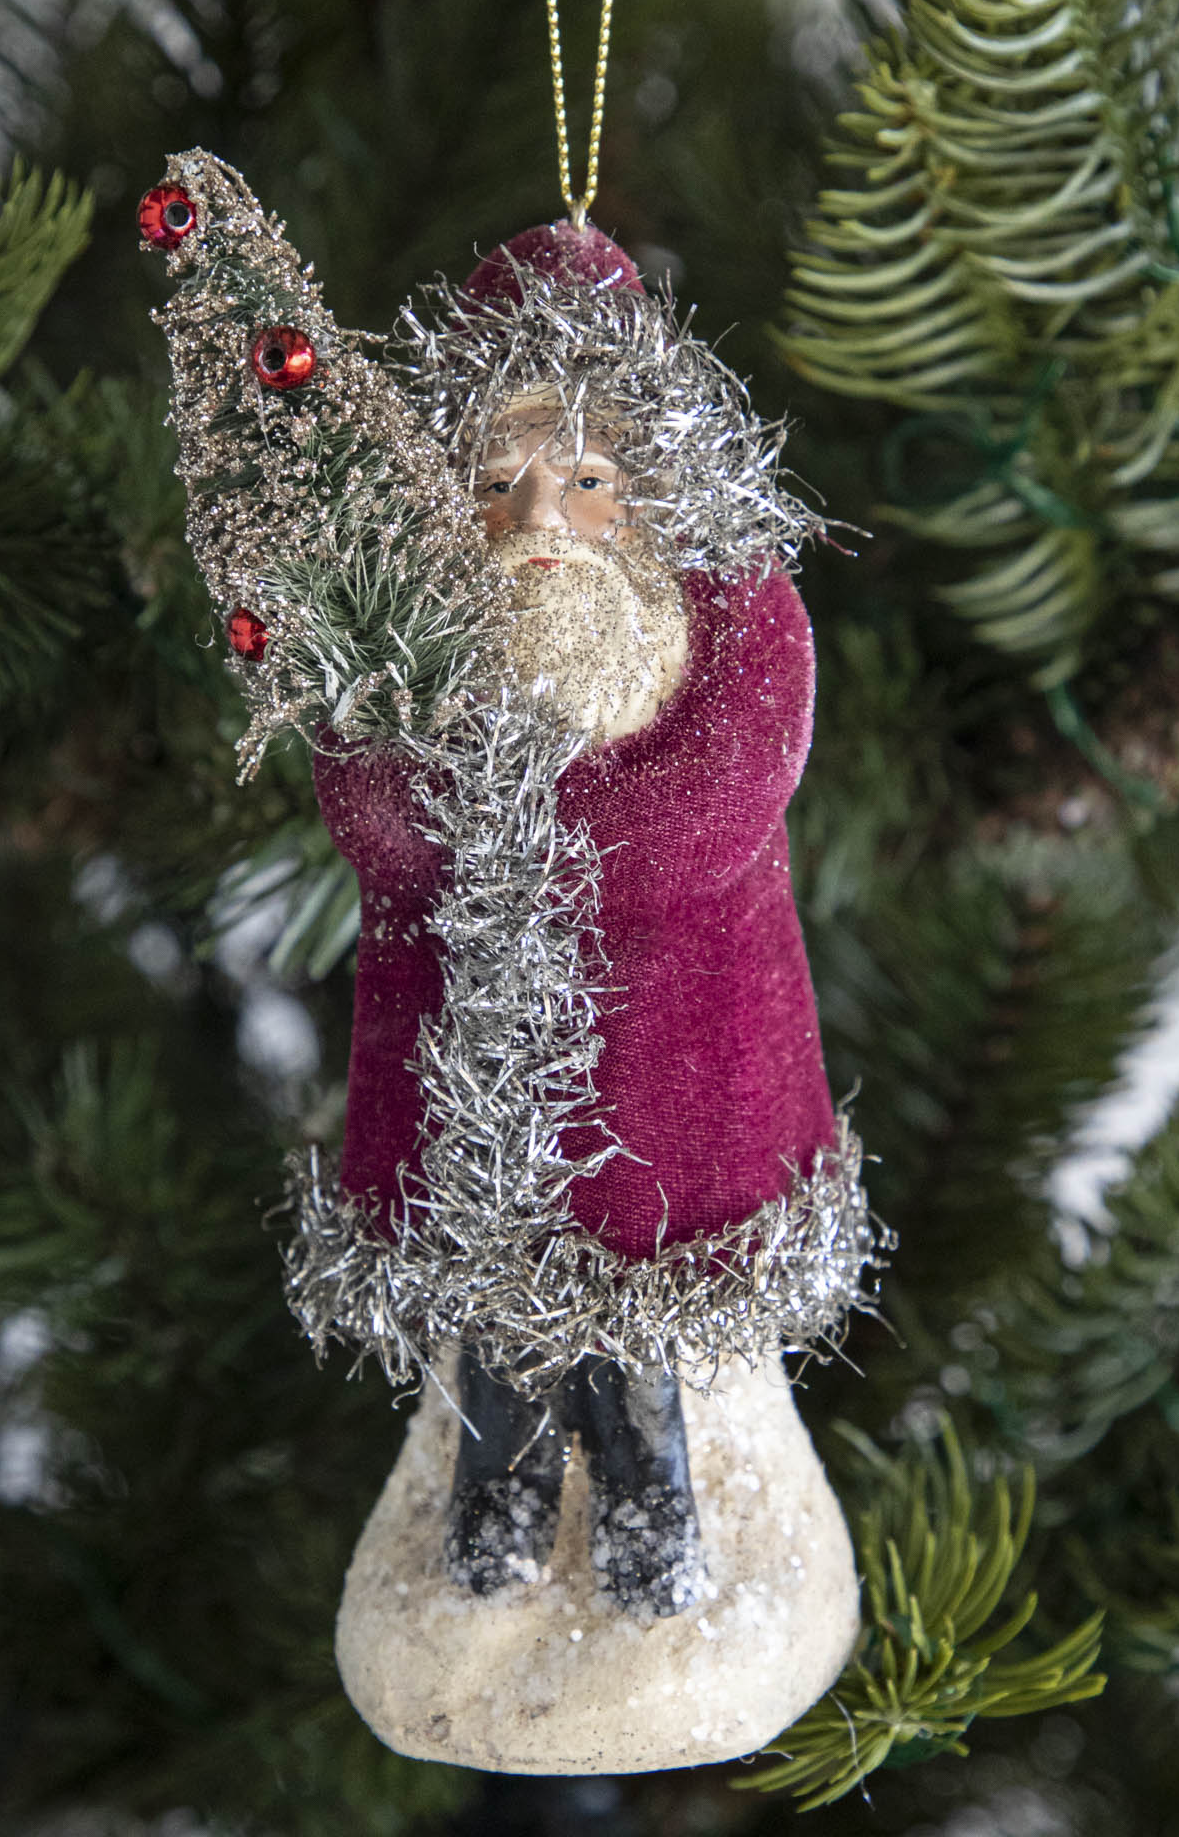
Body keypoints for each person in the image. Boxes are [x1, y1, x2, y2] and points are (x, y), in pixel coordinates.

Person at [291, 223, 876, 1618]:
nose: (542, 520)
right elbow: (369, 813)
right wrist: (463, 795)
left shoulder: (737, 609)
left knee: (641, 1313)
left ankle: (648, 1499)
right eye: (500, 483)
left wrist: (517, 829)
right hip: (460, 1062)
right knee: (498, 1305)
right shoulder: (398, 642)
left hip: (674, 1064)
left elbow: (721, 798)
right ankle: (492, 1499)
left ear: (655, 479)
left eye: (589, 478)